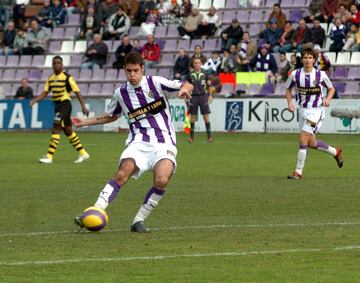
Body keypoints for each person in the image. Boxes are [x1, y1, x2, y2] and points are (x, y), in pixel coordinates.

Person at [73, 51, 193, 233]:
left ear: (142, 69)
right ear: (124, 70)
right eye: (129, 71)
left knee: (161, 180)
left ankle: (138, 220)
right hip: (138, 142)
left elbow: (187, 84)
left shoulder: (156, 83)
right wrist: (85, 122)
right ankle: (95, 210)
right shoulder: (121, 93)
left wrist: (184, 90)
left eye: (136, 71)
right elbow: (111, 115)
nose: (133, 75)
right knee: (122, 174)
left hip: (164, 143)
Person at [285, 46, 343, 180]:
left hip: (316, 111)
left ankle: (298, 172)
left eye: (310, 58)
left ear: (314, 60)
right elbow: (287, 89)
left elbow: (331, 89)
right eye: (305, 57)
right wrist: (289, 103)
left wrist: (328, 99)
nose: (307, 60)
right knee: (311, 143)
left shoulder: (320, 75)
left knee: (302, 139)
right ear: (302, 59)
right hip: (302, 110)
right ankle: (335, 152)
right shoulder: (295, 74)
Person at [30, 56, 90, 164]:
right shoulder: (50, 78)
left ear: (62, 65)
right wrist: (35, 100)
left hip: (65, 105)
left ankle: (49, 156)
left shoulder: (68, 78)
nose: (56, 65)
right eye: (55, 63)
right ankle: (83, 153)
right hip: (57, 106)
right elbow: (45, 93)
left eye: (58, 63)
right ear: (52, 65)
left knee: (56, 127)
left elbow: (77, 92)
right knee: (68, 131)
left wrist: (83, 106)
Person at [187, 57, 213, 143]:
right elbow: (187, 87)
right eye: (195, 63)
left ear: (201, 64)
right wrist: (186, 97)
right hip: (193, 97)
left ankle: (209, 137)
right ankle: (191, 138)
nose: (197, 64)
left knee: (206, 116)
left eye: (198, 63)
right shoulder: (190, 75)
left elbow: (209, 86)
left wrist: (210, 95)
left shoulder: (205, 73)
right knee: (193, 117)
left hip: (203, 96)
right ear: (193, 64)